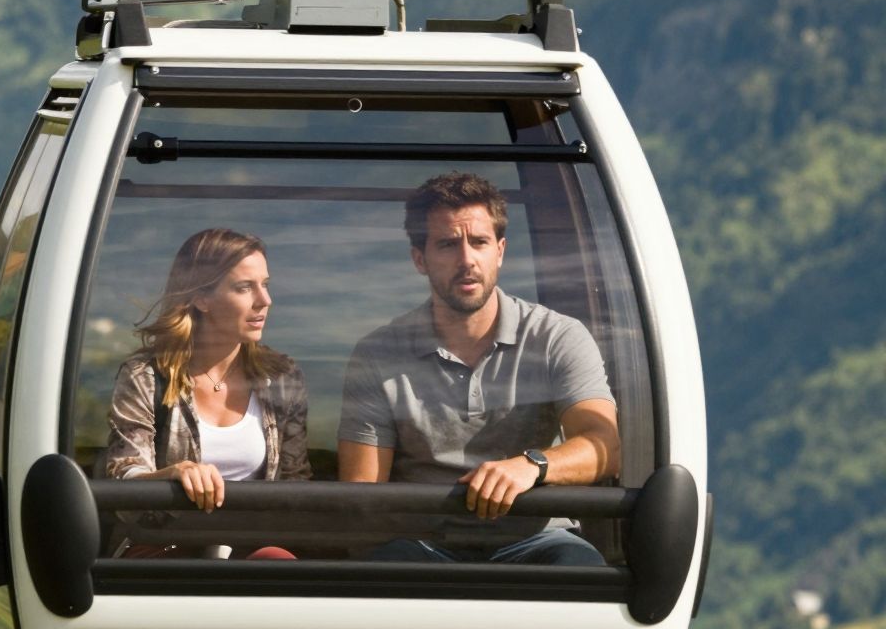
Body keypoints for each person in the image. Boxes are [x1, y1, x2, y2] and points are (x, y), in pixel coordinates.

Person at [337, 172, 619, 565]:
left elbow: (603, 446)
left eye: (480, 242)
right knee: (387, 572)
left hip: (536, 538)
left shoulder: (557, 336)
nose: (467, 260)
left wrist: (532, 465)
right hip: (420, 545)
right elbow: (361, 493)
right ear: (420, 259)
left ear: (500, 251)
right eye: (449, 245)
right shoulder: (378, 353)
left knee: (581, 573)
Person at [102, 228, 310, 547]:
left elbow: (295, 487)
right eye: (245, 288)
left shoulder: (282, 377)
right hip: (168, 556)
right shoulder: (146, 375)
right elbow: (125, 474)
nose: (265, 301)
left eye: (265, 286)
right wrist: (172, 474)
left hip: (256, 558)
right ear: (201, 298)